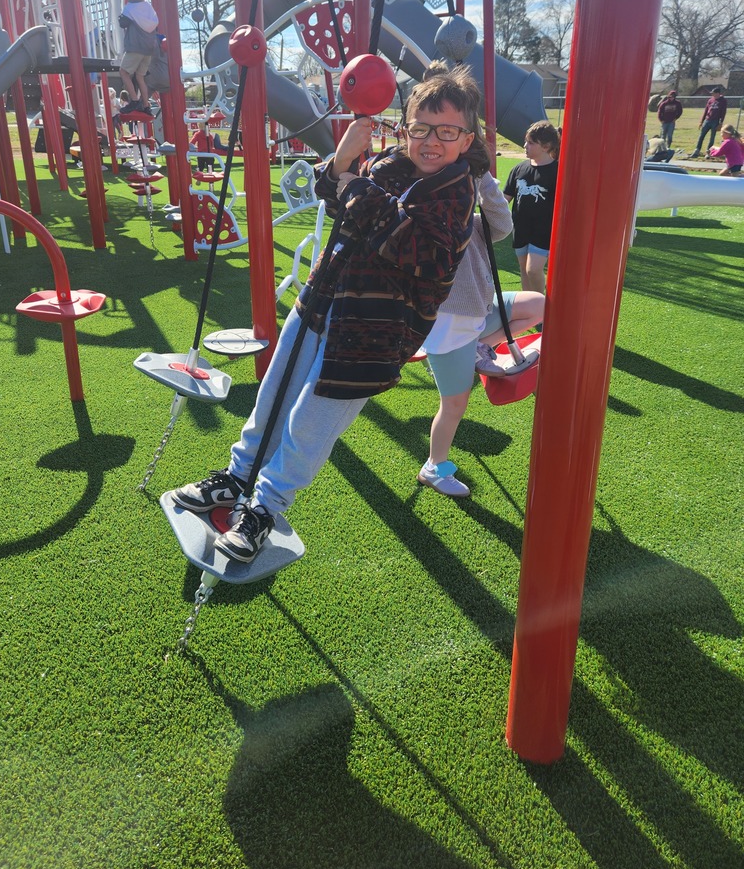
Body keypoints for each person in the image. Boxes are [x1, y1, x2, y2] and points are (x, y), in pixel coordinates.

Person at [171, 62, 490, 563]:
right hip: (322, 301)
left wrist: (357, 189)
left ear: (466, 139)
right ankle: (237, 476)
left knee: (311, 423)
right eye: (420, 128)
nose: (431, 141)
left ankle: (265, 507)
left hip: (371, 336)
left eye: (446, 132)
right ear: (405, 129)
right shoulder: (390, 165)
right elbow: (337, 198)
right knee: (273, 397)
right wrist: (341, 161)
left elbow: (418, 253)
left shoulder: (456, 194)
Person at [417, 172, 545, 497]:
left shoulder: (473, 224)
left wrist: (484, 176)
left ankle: (481, 346)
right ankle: (434, 466)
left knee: (538, 304)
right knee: (455, 405)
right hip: (450, 330)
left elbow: (502, 224)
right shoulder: (422, 229)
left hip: (481, 312)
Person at [503, 120, 560, 294]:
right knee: (524, 270)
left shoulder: (557, 171)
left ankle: (541, 305)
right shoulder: (518, 169)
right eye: (526, 141)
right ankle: (528, 305)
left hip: (543, 231)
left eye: (531, 143)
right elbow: (506, 199)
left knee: (533, 269)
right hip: (521, 229)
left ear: (546, 146)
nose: (525, 146)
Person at [118, 0, 159, 116]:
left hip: (135, 47)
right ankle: (146, 105)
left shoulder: (130, 7)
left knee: (123, 72)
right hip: (148, 49)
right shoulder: (149, 7)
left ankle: (134, 101)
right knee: (140, 77)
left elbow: (123, 23)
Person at [691, 86, 727, 157]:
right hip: (707, 120)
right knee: (701, 136)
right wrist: (701, 121)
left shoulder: (723, 101)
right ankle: (697, 150)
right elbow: (706, 110)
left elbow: (723, 112)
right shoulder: (710, 100)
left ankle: (708, 152)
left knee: (712, 137)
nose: (712, 95)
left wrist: (721, 123)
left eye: (714, 93)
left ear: (718, 93)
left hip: (715, 121)